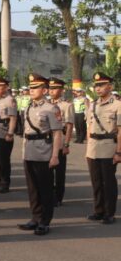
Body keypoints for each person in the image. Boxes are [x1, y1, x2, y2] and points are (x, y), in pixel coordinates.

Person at [18, 74, 62, 235]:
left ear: (44, 90)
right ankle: (35, 218)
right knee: (32, 188)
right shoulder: (29, 107)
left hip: (44, 152)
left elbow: (57, 133)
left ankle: (45, 221)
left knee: (45, 188)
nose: (32, 90)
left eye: (35, 87)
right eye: (31, 87)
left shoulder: (51, 108)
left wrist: (55, 155)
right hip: (29, 151)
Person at [85, 72, 121, 225]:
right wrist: (88, 148)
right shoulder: (93, 105)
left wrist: (119, 151)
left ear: (110, 86)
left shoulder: (117, 105)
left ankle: (109, 212)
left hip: (108, 147)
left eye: (101, 85)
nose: (98, 88)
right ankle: (98, 210)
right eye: (96, 86)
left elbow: (120, 130)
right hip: (93, 147)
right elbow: (89, 127)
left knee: (108, 182)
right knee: (96, 181)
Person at [48, 78, 74, 206]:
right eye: (50, 88)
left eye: (55, 88)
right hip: (47, 142)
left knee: (59, 172)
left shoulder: (66, 105)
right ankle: (49, 195)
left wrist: (66, 144)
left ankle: (58, 197)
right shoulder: (46, 104)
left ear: (62, 90)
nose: (52, 91)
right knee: (47, 171)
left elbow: (69, 126)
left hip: (60, 140)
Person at [0, 77, 18, 194]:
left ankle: (4, 183)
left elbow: (13, 118)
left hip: (4, 132)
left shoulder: (10, 100)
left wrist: (10, 133)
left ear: (6, 87)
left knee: (4, 160)